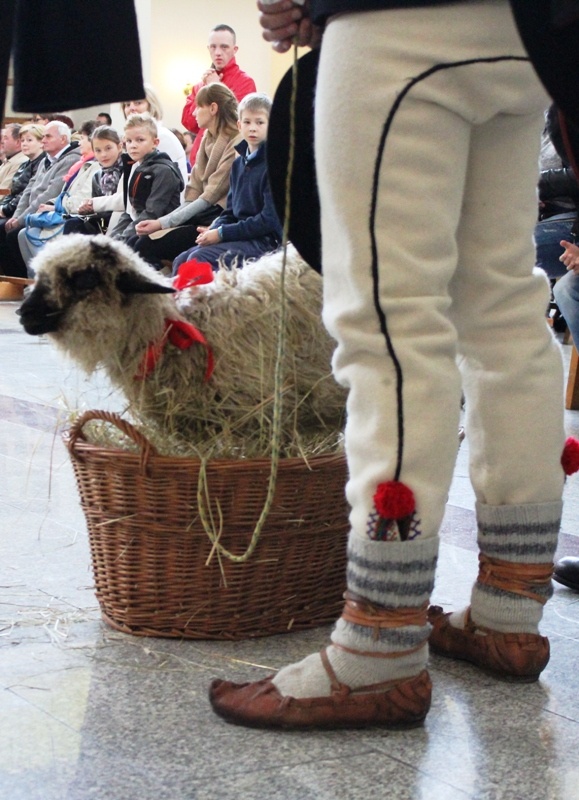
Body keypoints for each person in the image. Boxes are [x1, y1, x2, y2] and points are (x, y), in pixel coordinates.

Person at [208, 0, 578, 731]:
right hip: (529, 27)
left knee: (386, 321)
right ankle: (508, 609)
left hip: (400, 20)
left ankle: (379, 642)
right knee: (501, 306)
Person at [131, 83, 240, 270]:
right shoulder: (207, 138)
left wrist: (161, 223)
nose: (194, 113)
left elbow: (211, 196)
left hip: (216, 218)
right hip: (199, 213)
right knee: (136, 240)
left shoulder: (236, 141)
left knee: (144, 246)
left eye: (198, 107)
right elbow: (194, 191)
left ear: (213, 108)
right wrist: (164, 222)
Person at [172, 92, 281, 273]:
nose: (252, 128)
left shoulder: (274, 165)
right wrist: (214, 229)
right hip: (240, 236)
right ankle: (178, 299)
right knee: (181, 259)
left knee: (197, 259)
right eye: (247, 122)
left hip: (265, 241)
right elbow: (230, 211)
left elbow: (268, 220)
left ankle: (203, 300)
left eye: (260, 122)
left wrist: (222, 234)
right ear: (239, 125)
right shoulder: (238, 163)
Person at [0, 120, 80, 278]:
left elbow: (49, 194)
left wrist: (21, 219)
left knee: (12, 233)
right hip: (32, 213)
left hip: (48, 214)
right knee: (8, 230)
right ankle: (19, 281)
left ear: (63, 139)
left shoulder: (70, 159)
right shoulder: (46, 159)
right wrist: (17, 216)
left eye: (48, 136)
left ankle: (24, 280)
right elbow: (29, 189)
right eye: (43, 136)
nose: (43, 140)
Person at [17, 120, 101, 269]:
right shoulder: (81, 164)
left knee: (24, 232)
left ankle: (50, 277)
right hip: (63, 211)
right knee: (23, 234)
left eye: (82, 138)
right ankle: (38, 280)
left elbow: (82, 198)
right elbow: (61, 193)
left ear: (94, 142)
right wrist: (50, 204)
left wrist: (54, 206)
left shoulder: (93, 165)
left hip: (77, 217)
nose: (79, 142)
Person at [181, 24, 256, 167]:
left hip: (227, 158)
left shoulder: (246, 82)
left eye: (224, 47)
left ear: (234, 50)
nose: (218, 52)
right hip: (200, 158)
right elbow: (189, 122)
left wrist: (217, 88)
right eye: (213, 47)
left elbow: (237, 121)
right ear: (208, 49)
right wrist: (206, 89)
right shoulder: (202, 84)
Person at [107, 113, 183, 243]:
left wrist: (122, 239)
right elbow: (130, 211)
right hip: (139, 227)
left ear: (155, 142)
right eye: (129, 141)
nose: (133, 145)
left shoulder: (164, 171)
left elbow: (153, 213)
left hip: (161, 229)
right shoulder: (136, 166)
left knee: (131, 246)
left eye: (140, 140)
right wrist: (112, 239)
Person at [63, 125, 123, 236]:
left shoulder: (127, 171)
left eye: (108, 148)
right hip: (101, 223)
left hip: (122, 221)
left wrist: (94, 207)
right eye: (98, 150)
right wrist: (87, 209)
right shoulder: (97, 176)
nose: (103, 154)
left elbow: (124, 204)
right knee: (73, 224)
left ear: (119, 147)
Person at [0, 123, 44, 220]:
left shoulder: (41, 164)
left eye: (29, 140)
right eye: (22, 140)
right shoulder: (26, 164)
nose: (24, 143)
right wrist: (3, 206)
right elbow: (12, 192)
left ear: (42, 142)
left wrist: (4, 209)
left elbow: (26, 193)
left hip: (22, 213)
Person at [0, 123, 27, 189]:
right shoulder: (9, 159)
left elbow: (4, 191)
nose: (2, 141)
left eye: (5, 138)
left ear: (18, 142)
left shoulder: (20, 162)